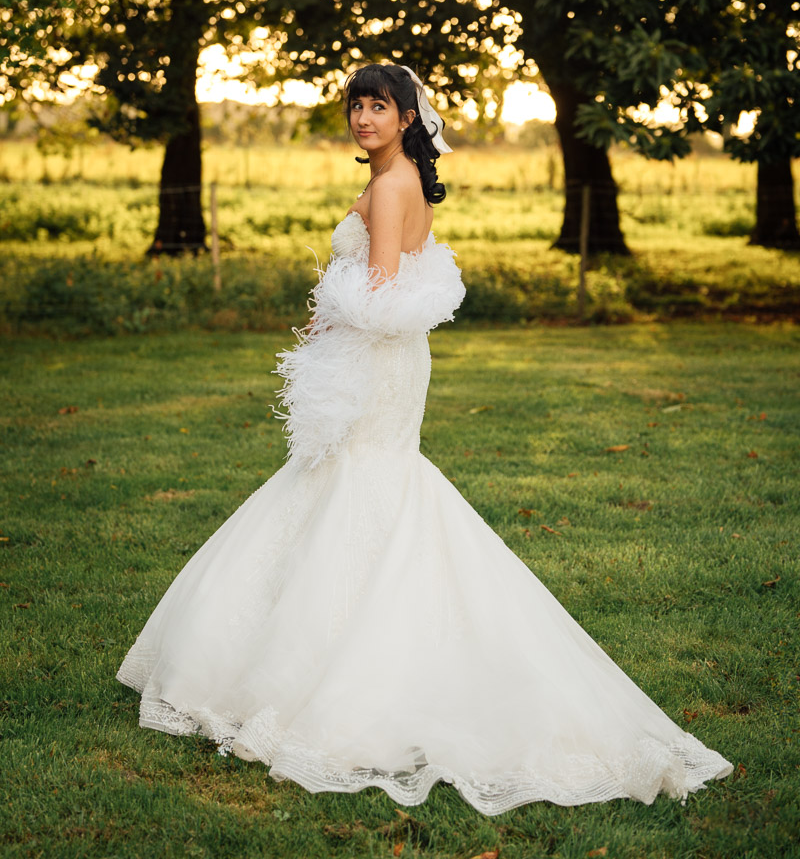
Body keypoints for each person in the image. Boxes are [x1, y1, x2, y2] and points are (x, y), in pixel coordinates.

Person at [117, 62, 732, 815]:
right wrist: (327, 319)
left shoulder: (392, 185)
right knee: (356, 483)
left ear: (407, 118)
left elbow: (376, 290)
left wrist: (328, 320)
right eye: (356, 105)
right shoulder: (400, 179)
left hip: (377, 360)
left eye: (378, 106)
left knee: (359, 481)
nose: (363, 118)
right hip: (390, 358)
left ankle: (338, 668)